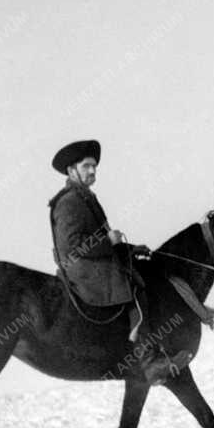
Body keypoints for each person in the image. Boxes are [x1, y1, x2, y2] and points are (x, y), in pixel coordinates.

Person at [49, 139, 162, 381]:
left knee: (138, 271)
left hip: (93, 262)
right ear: (71, 170)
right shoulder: (70, 201)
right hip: (81, 268)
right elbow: (72, 246)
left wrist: (129, 249)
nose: (92, 171)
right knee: (134, 285)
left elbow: (100, 240)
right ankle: (147, 359)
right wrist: (110, 242)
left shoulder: (85, 198)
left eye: (94, 167)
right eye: (86, 166)